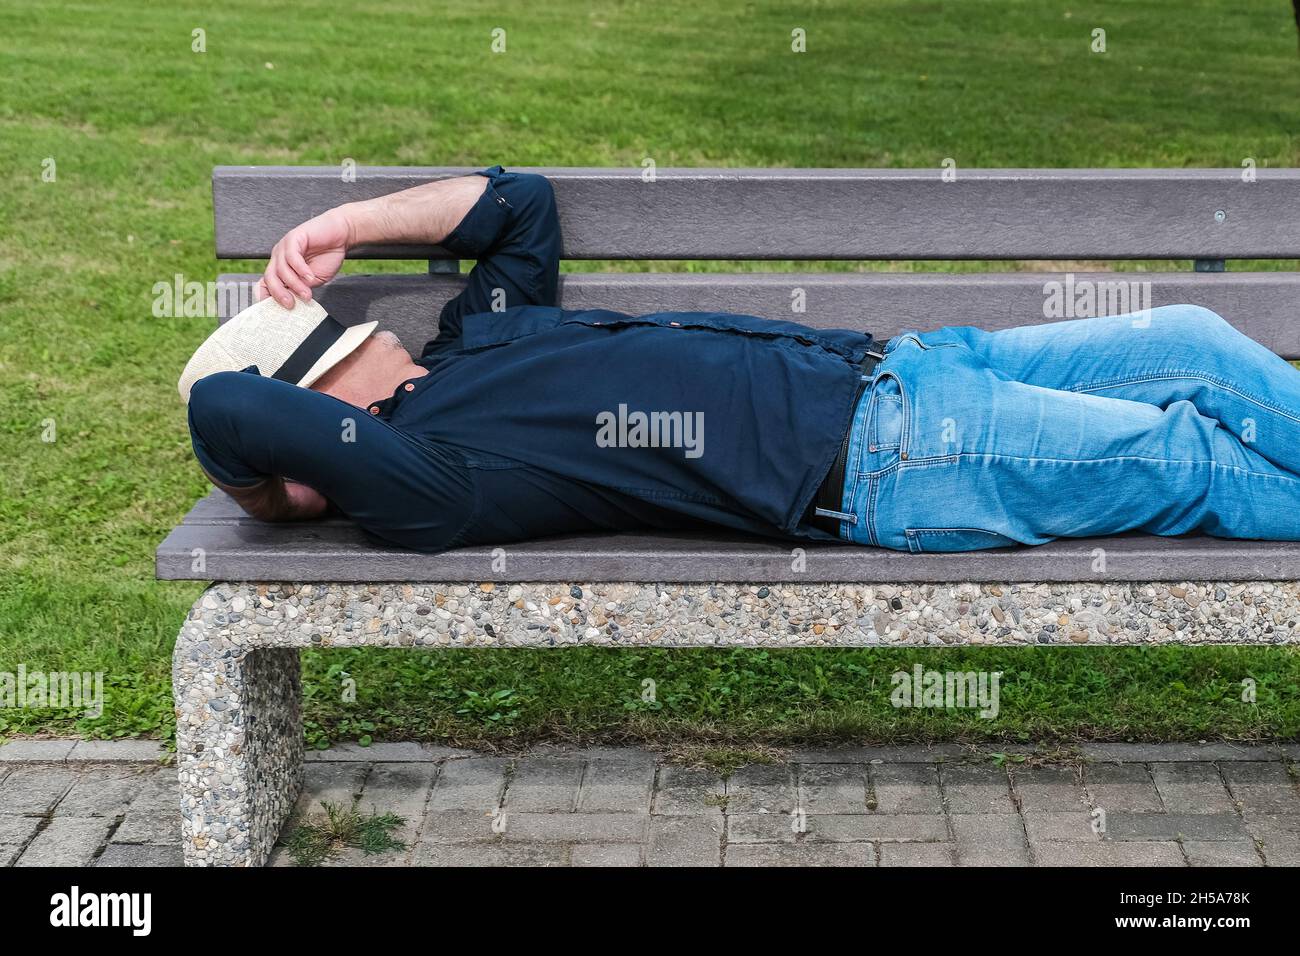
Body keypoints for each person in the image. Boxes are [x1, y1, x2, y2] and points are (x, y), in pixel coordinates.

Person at [179, 166, 1300, 554]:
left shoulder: (481, 335)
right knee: (1191, 458)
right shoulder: (430, 479)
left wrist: (353, 224)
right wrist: (283, 494)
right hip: (891, 462)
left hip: (911, 364)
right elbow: (228, 405)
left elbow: (517, 206)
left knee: (1194, 340)